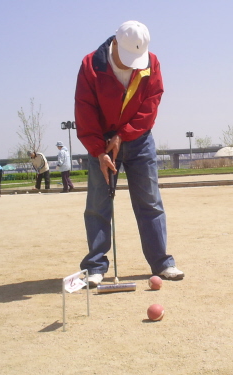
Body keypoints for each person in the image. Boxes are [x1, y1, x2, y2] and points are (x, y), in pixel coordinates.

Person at [74, 20, 184, 286]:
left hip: (138, 140)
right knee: (98, 205)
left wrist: (123, 134)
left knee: (150, 201)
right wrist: (99, 151)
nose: (132, 64)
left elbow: (150, 104)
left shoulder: (150, 63)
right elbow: (84, 110)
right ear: (115, 44)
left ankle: (162, 263)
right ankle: (96, 266)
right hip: (102, 143)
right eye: (127, 58)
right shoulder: (91, 66)